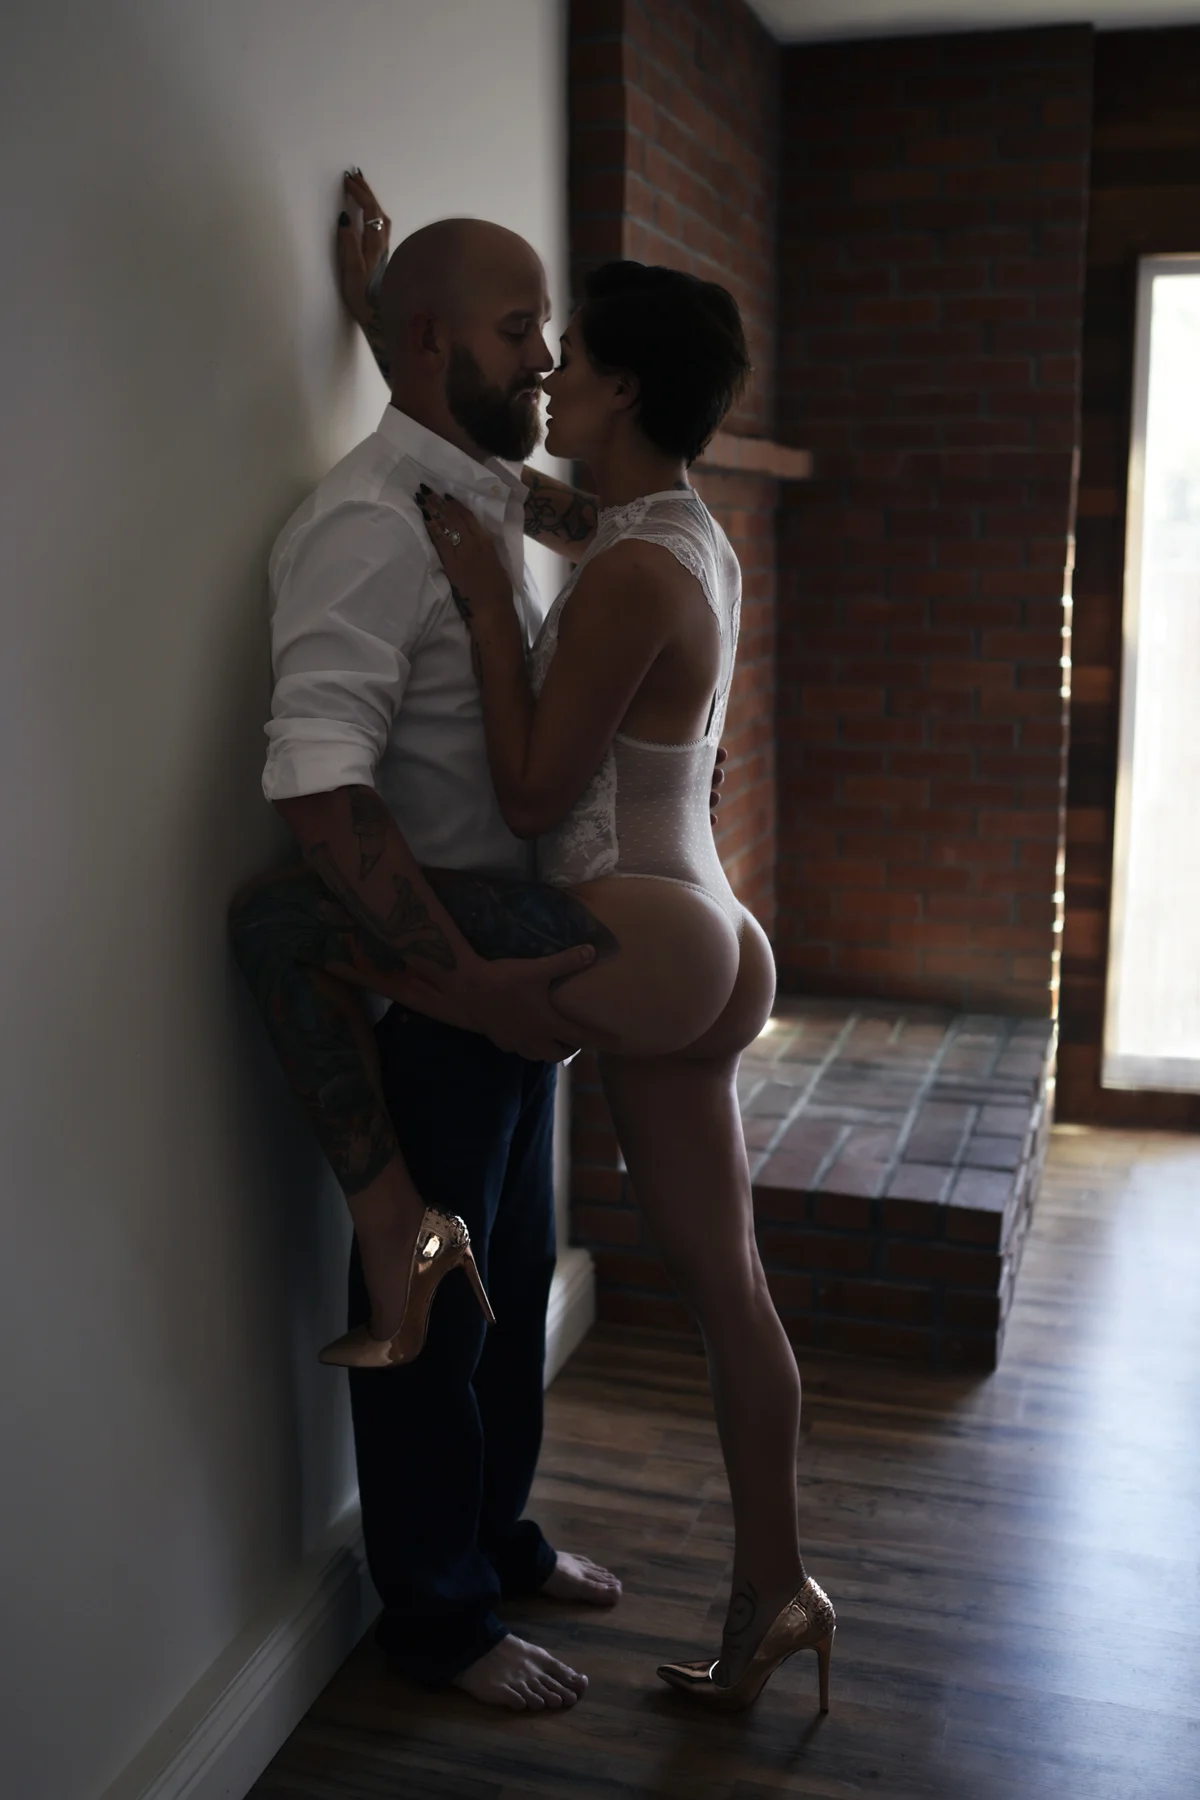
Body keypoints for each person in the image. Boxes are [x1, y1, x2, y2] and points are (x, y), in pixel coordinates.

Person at [233, 172, 835, 1715]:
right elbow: (498, 477)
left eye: (565, 347)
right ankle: (753, 1591)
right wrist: (392, 323)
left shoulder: (606, 554)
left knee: (273, 923)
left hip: (606, 933)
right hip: (685, 928)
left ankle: (476, 1567)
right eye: (524, 335)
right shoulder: (645, 526)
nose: (549, 366)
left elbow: (527, 787)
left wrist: (496, 621)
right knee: (685, 1286)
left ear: (622, 389)